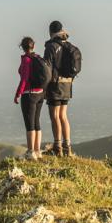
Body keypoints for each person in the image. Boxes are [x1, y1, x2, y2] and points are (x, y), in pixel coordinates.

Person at [44, 20, 77, 157]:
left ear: (51, 32)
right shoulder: (69, 45)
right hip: (67, 84)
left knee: (54, 116)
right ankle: (67, 147)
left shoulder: (51, 47)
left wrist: (44, 87)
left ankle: (57, 146)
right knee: (63, 116)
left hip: (54, 85)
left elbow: (47, 69)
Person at [13, 36, 45, 160]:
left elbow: (24, 79)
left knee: (29, 124)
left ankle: (30, 152)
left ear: (22, 47)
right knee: (37, 122)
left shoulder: (26, 60)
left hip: (29, 94)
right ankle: (38, 151)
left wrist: (18, 94)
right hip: (40, 93)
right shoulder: (38, 57)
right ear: (33, 46)